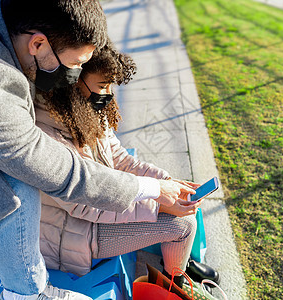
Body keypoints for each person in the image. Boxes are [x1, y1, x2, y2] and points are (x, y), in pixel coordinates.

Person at [0, 0, 195, 299]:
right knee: (11, 182)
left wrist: (155, 186)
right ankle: (27, 293)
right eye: (76, 64)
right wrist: (152, 191)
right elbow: (59, 172)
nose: (74, 76)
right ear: (37, 43)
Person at [34, 42, 220, 289]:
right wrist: (158, 204)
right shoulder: (45, 133)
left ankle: (179, 265)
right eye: (102, 86)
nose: (108, 93)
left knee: (183, 202)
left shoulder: (86, 109)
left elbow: (121, 160)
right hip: (75, 232)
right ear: (74, 80)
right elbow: (85, 205)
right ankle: (174, 282)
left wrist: (165, 182)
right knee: (183, 224)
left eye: (111, 86)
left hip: (103, 206)